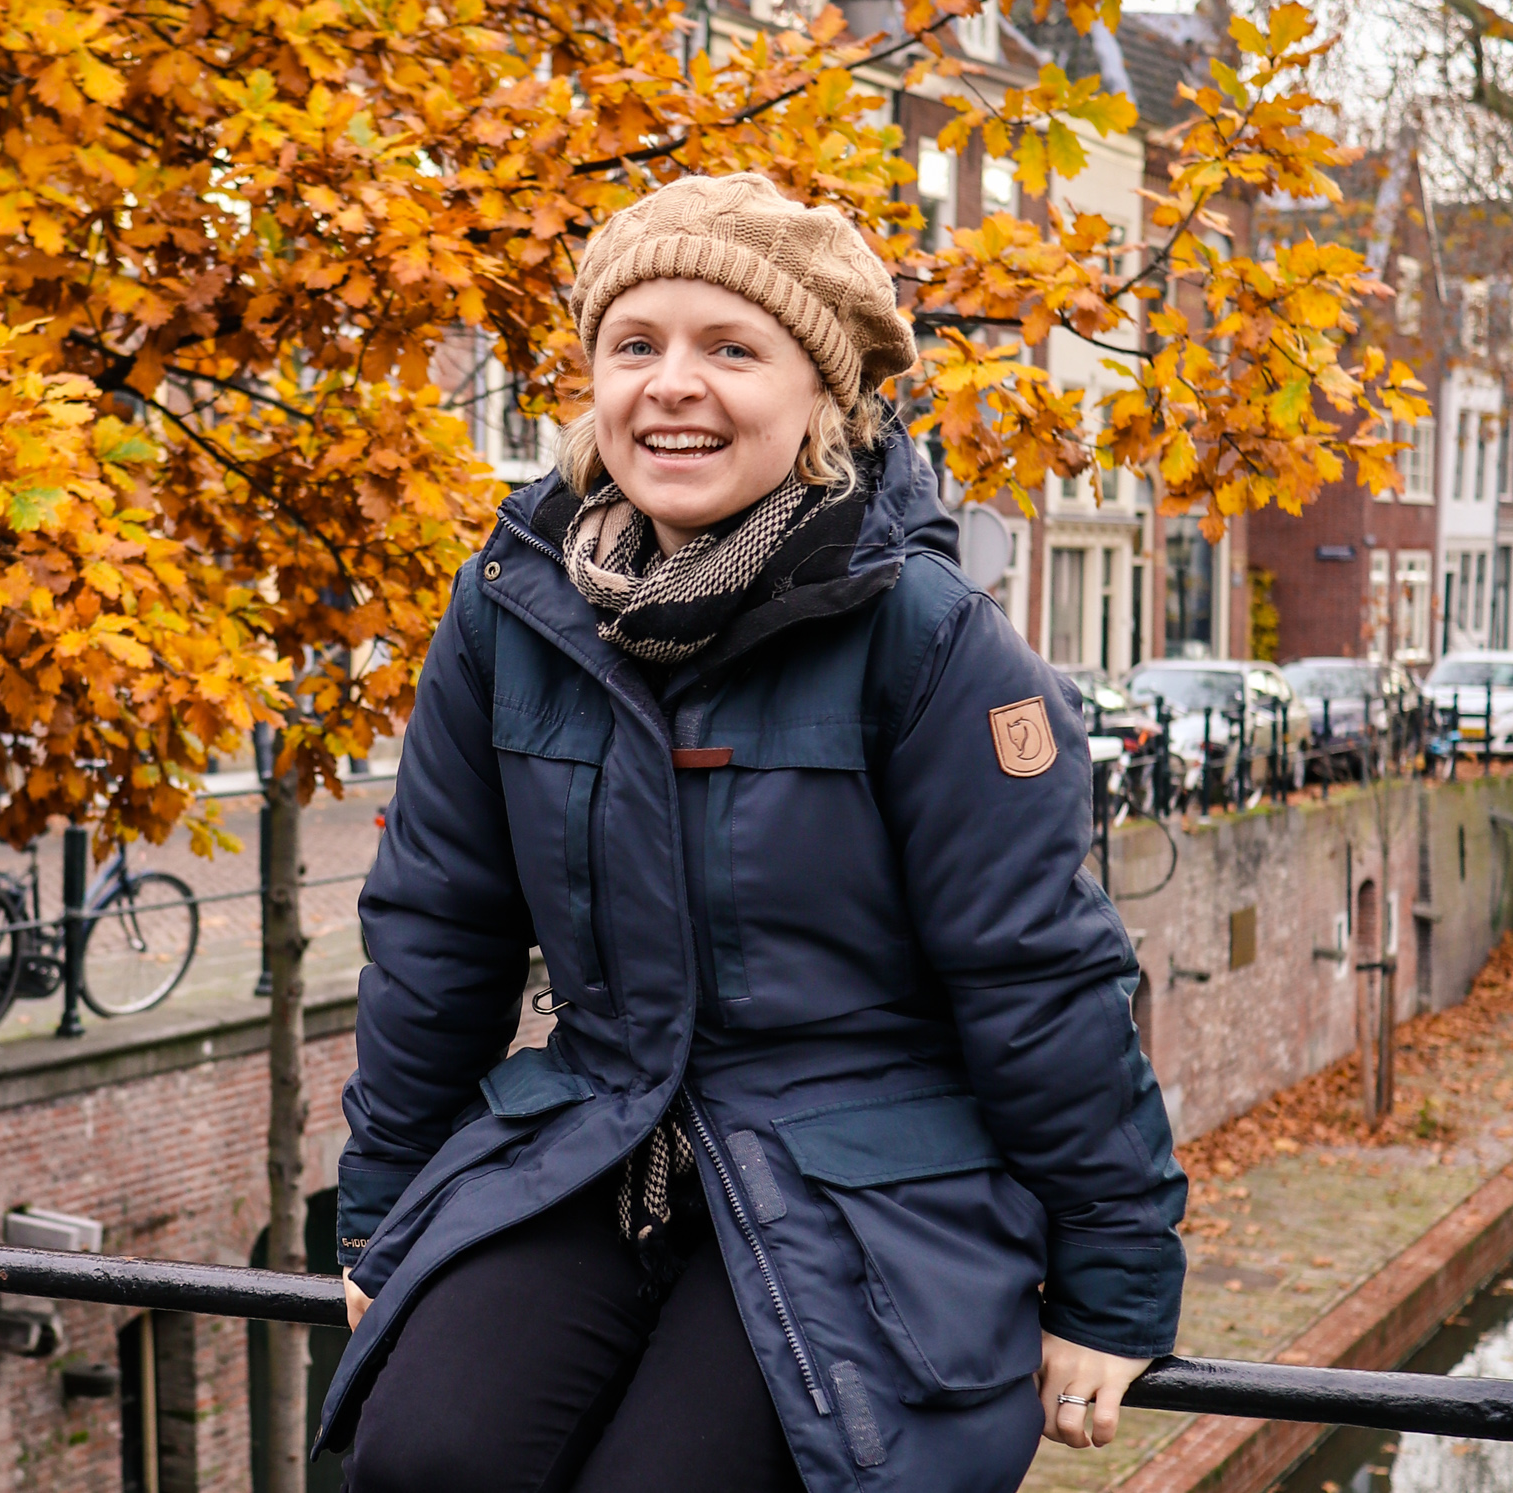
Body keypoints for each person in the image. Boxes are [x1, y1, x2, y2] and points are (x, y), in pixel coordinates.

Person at [314, 173, 1186, 1493]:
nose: (675, 384)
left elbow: (1039, 976)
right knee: (422, 1452)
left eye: (733, 348)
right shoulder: (509, 608)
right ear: (592, 384)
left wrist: (1111, 1284)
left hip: (865, 1175)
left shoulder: (930, 640)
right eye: (636, 345)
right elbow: (439, 925)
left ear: (822, 398)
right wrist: (381, 1217)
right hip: (601, 1127)